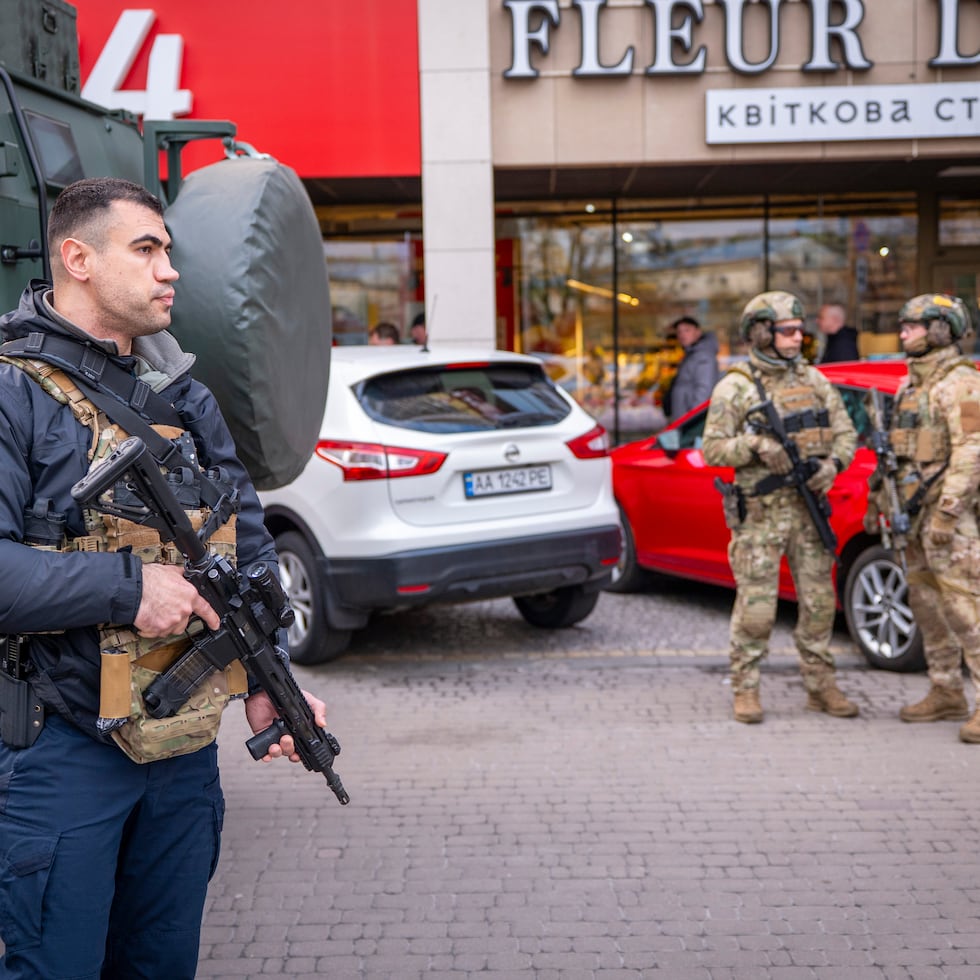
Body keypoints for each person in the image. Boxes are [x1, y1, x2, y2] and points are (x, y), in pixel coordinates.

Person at [0, 177, 328, 977]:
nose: (169, 270)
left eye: (169, 251)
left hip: (178, 752)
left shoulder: (182, 392)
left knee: (161, 964)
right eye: (146, 249)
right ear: (76, 258)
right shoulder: (13, 390)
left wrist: (265, 677)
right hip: (61, 748)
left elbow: (245, 549)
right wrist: (130, 588)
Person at [702, 290, 859, 724]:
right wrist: (754, 445)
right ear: (762, 333)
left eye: (799, 330)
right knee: (757, 609)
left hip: (808, 514)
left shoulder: (815, 381)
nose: (798, 337)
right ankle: (746, 688)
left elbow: (846, 435)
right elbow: (712, 449)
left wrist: (833, 466)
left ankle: (821, 686)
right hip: (761, 515)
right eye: (788, 330)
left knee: (819, 603)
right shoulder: (736, 386)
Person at [863, 293, 980, 741]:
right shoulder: (909, 385)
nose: (903, 332)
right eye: (903, 325)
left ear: (939, 329)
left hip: (948, 519)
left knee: (966, 609)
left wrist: (949, 513)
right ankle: (946, 691)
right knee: (927, 604)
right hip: (911, 514)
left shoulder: (961, 383)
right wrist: (881, 499)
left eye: (912, 325)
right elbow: (897, 450)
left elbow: (971, 450)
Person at [664, 315, 720, 421]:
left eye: (687, 330)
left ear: (698, 332)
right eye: (679, 332)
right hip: (683, 418)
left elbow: (704, 391)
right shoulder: (690, 355)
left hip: (690, 421)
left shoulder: (704, 356)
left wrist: (691, 419)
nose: (682, 335)